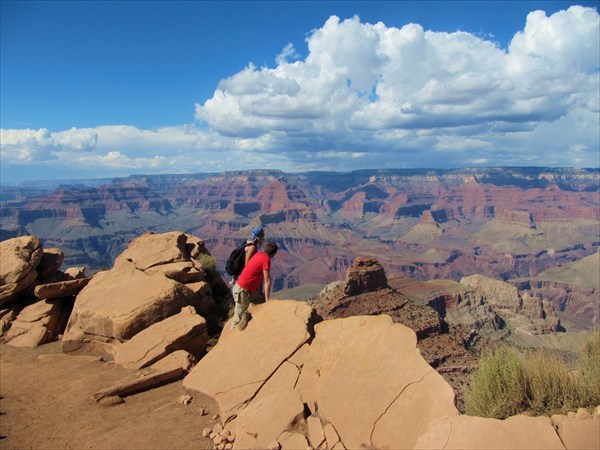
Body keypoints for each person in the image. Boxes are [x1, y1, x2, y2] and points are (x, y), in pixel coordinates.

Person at [231, 241, 278, 331]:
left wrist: (260, 292)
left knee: (260, 301)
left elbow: (259, 276)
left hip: (247, 289)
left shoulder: (259, 254)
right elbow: (267, 280)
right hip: (242, 291)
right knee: (237, 320)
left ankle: (258, 325)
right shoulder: (266, 259)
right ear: (273, 253)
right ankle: (232, 335)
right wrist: (268, 300)